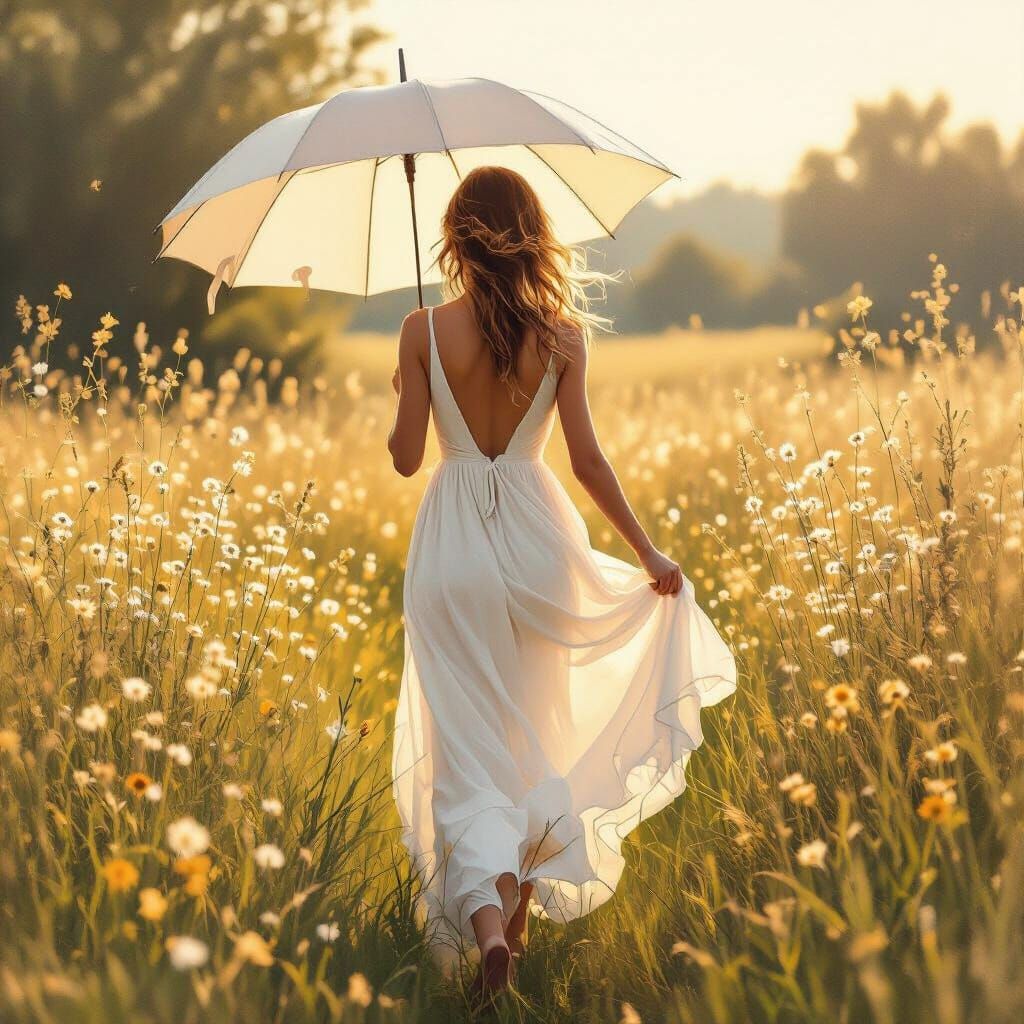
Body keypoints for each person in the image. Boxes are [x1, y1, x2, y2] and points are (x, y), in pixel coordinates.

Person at [388, 166, 736, 1000]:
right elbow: (585, 461)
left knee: (466, 758)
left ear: (456, 238)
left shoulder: (421, 328)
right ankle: (515, 929)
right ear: (532, 233)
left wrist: (411, 385)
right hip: (542, 545)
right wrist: (648, 553)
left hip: (453, 555)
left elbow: (406, 459)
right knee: (536, 737)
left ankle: (487, 926)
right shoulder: (565, 335)